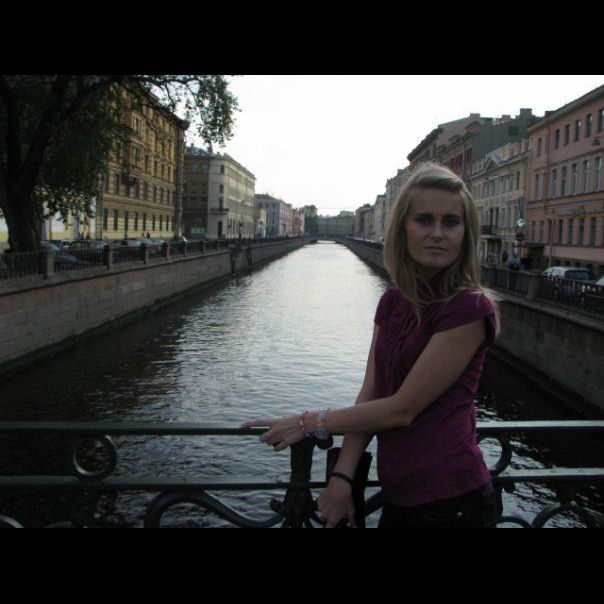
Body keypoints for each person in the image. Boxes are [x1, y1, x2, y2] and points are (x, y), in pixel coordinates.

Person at [242, 162, 500, 528]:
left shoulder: (468, 308)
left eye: (451, 222)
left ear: (465, 233)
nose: (437, 233)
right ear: (403, 228)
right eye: (424, 220)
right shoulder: (393, 301)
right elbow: (371, 392)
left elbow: (401, 410)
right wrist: (343, 476)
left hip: (452, 499)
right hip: (399, 494)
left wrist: (307, 423)